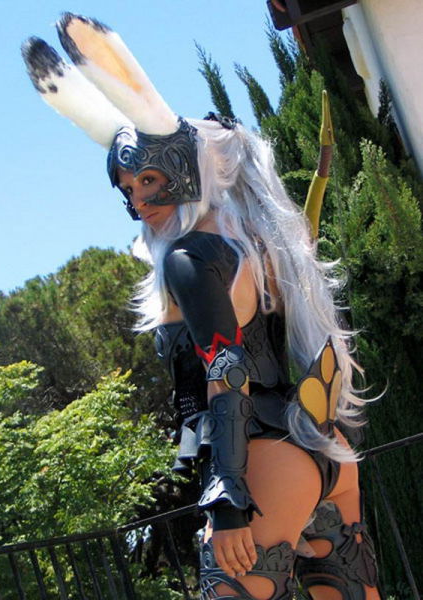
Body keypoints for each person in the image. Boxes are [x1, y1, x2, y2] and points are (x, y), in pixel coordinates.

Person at [22, 13, 382, 600]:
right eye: (128, 189)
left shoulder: (191, 259)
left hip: (263, 461)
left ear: (187, 170)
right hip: (323, 446)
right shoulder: (262, 243)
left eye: (149, 180)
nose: (139, 202)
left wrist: (227, 495)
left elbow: (227, 371)